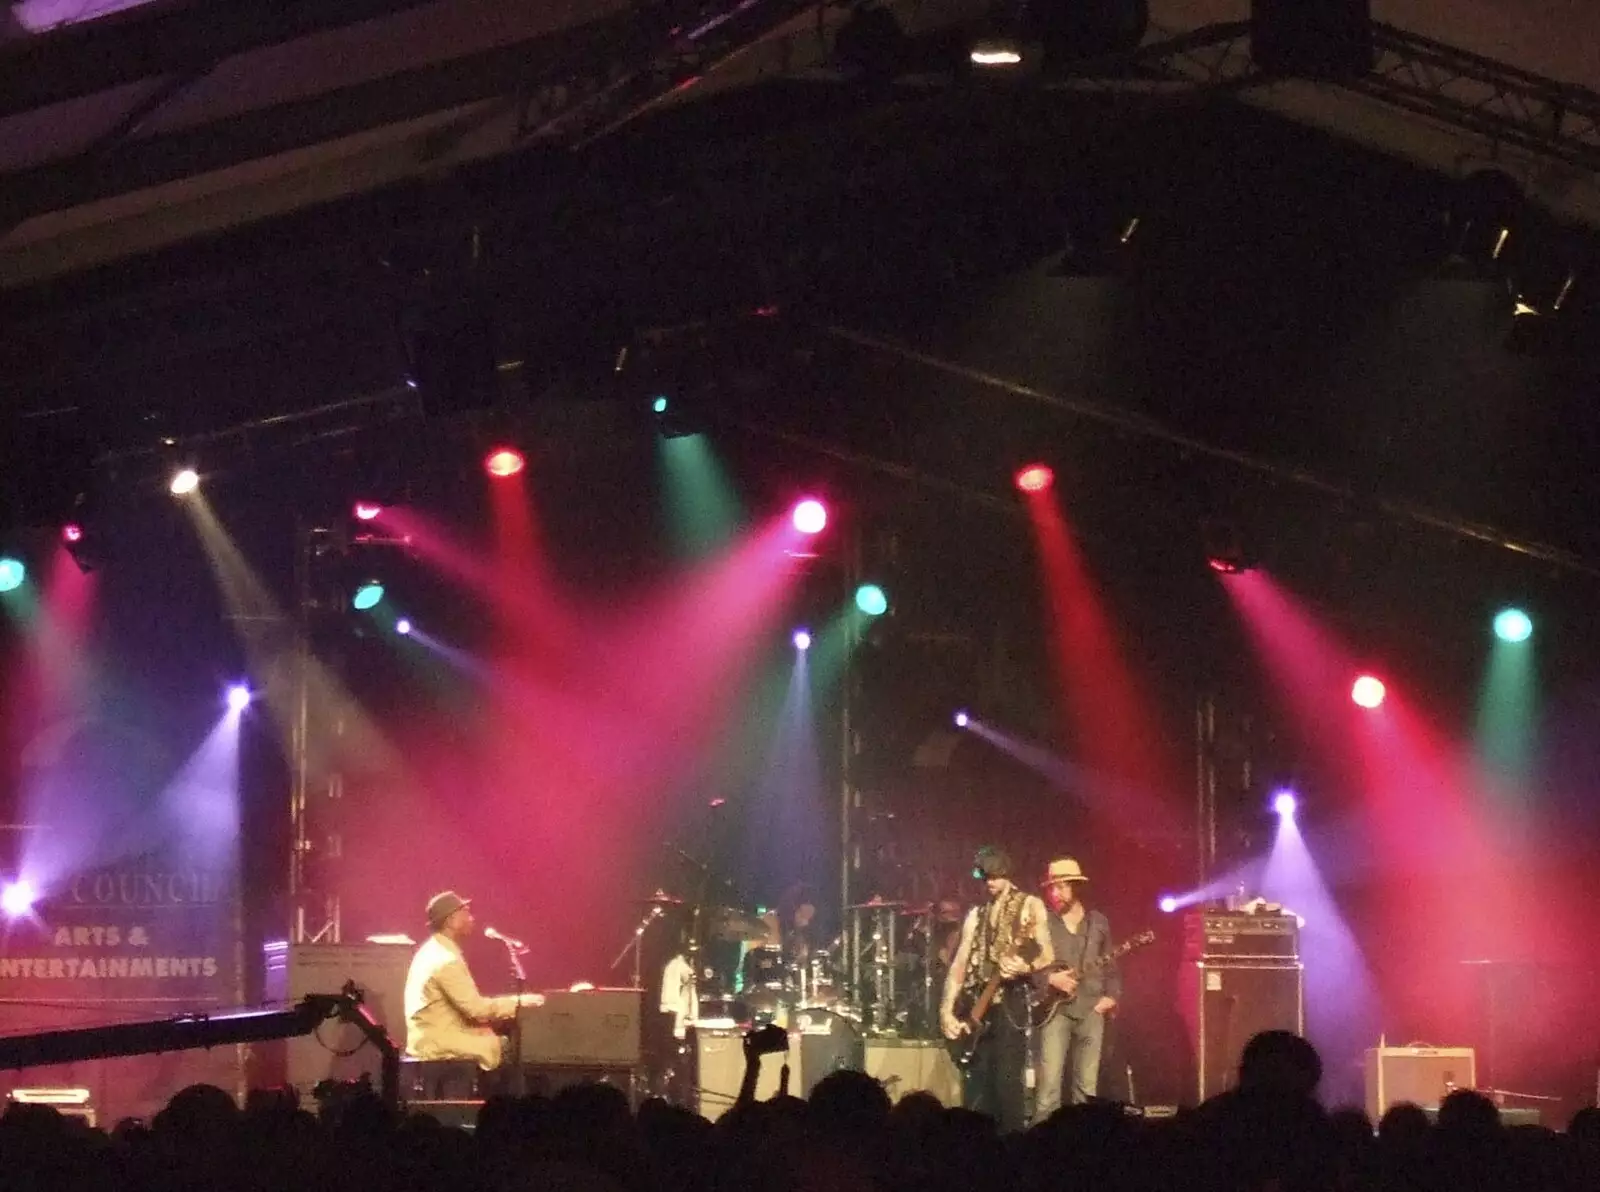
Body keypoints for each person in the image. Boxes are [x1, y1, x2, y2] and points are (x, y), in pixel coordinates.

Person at [940, 846, 1054, 1131]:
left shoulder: (1029, 905)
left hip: (1010, 1002)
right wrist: (946, 1010)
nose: (989, 883)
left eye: (994, 876)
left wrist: (1024, 967)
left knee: (1007, 1081)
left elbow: (1048, 954)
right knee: (978, 1084)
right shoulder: (976, 914)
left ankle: (1012, 1146)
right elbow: (959, 965)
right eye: (984, 877)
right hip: (976, 1005)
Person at [403, 890, 543, 1070]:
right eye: (466, 913)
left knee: (493, 1037)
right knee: (513, 1048)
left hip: (430, 1036)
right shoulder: (445, 959)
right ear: (451, 921)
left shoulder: (432, 950)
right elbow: (476, 1009)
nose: (472, 918)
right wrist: (520, 1003)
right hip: (437, 1042)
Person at [1033, 856, 1120, 1120]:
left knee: (1086, 1091)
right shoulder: (1043, 923)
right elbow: (1030, 965)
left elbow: (1112, 966)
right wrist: (1049, 979)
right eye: (1051, 887)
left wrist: (1112, 997)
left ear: (1075, 887)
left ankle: (1084, 1148)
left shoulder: (1098, 922)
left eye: (1060, 886)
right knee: (1048, 1092)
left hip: (1091, 1009)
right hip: (1054, 1011)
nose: (1054, 893)